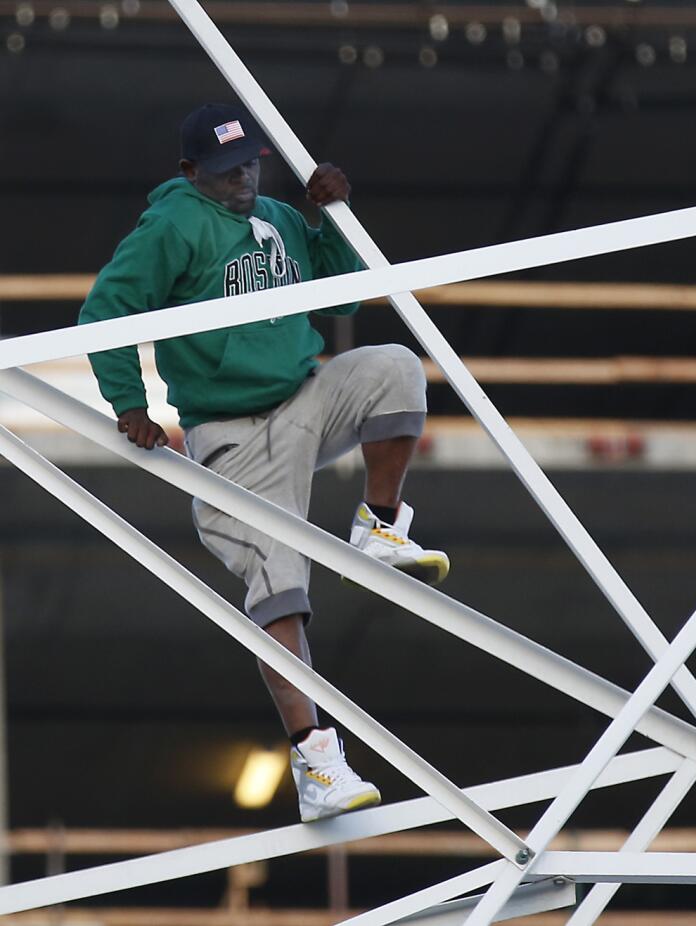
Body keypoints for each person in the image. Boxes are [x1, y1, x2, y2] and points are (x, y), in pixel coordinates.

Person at [78, 102, 449, 823]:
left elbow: (343, 284)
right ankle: (315, 761)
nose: (243, 177)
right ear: (192, 172)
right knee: (280, 585)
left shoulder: (277, 214)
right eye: (225, 171)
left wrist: (330, 217)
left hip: (303, 398)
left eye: (249, 162)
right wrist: (130, 405)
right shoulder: (172, 225)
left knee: (396, 368)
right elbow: (107, 309)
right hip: (233, 435)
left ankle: (378, 524)